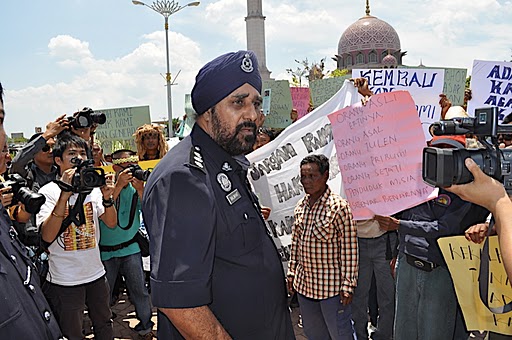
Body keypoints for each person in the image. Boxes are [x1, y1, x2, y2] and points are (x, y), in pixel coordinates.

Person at [142, 50, 294, 339]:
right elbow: (181, 305)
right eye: (238, 102)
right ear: (207, 110)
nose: (251, 115)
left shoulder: (226, 163)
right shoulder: (184, 177)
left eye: (256, 103)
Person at [375, 135, 489, 340]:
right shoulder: (414, 182)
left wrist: (399, 226)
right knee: (403, 332)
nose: (442, 157)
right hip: (407, 266)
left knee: (434, 333)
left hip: (440, 272)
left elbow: (445, 228)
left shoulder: (467, 189)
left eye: (449, 151)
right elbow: (403, 214)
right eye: (438, 150)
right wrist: (395, 254)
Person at [36, 131, 116, 340]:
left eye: (82, 153)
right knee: (72, 332)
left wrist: (107, 198)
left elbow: (111, 222)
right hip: (64, 279)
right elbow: (47, 235)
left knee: (104, 324)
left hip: (96, 274)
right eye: (72, 154)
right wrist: (64, 194)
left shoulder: (93, 188)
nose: (79, 158)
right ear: (58, 160)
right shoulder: (48, 191)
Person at [0, 82, 63, 338]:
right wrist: (44, 137)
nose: (50, 151)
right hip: (33, 241)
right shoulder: (24, 174)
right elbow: (18, 159)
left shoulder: (63, 174)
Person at [287, 154, 358, 340]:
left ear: (325, 176)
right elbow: (296, 243)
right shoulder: (301, 206)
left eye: (312, 176)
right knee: (315, 335)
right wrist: (292, 272)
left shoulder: (339, 208)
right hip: (305, 289)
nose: (306, 182)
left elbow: (349, 250)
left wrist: (348, 285)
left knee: (341, 335)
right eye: (303, 177)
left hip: (332, 291)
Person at [99, 149, 154, 337]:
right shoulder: (103, 186)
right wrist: (119, 186)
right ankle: (104, 328)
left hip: (130, 248)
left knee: (139, 290)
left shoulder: (133, 187)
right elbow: (101, 208)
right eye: (127, 167)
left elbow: (148, 209)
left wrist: (140, 189)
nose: (132, 170)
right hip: (105, 252)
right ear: (115, 167)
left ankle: (146, 325)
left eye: (133, 166)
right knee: (103, 295)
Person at [351, 219, 396, 340]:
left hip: (384, 239)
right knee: (358, 295)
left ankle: (384, 335)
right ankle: (360, 335)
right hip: (356, 239)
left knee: (387, 294)